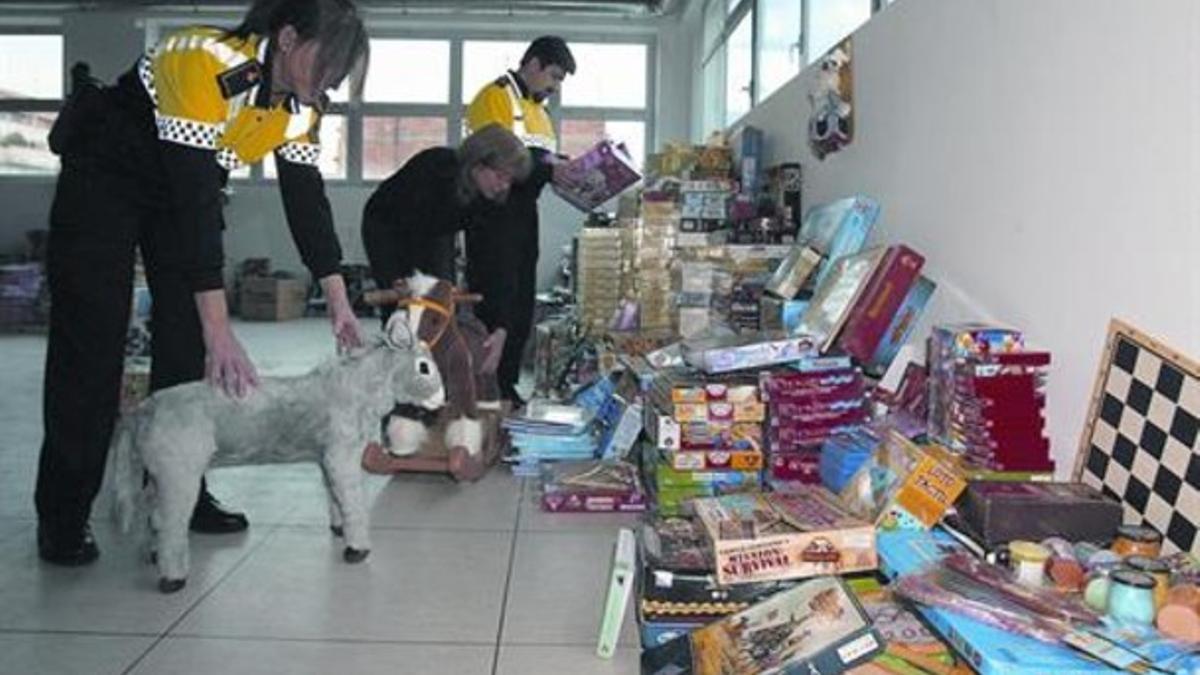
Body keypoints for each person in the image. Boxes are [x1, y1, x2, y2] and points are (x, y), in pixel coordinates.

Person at [36, 0, 369, 566]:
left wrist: (339, 301)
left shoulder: (299, 105)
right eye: (330, 64)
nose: (333, 81)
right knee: (93, 345)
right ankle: (64, 513)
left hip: (180, 187)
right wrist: (221, 327)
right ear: (287, 39)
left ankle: (179, 493)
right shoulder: (204, 59)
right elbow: (193, 203)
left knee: (187, 348)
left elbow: (306, 200)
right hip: (106, 176)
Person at [463, 36, 576, 408]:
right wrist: (548, 164)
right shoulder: (494, 97)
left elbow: (539, 161)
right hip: (493, 210)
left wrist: (565, 167)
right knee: (496, 296)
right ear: (533, 64)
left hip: (525, 211)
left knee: (521, 300)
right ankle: (486, 383)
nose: (555, 87)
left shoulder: (539, 112)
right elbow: (496, 157)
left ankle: (507, 381)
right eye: (554, 76)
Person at [361, 124, 532, 316]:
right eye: (500, 176)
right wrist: (401, 281)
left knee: (443, 302)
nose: (503, 186)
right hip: (387, 225)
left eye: (509, 180)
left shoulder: (490, 199)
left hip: (436, 229)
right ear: (477, 164)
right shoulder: (436, 171)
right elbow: (415, 236)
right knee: (405, 303)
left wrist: (497, 319)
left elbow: (490, 257)